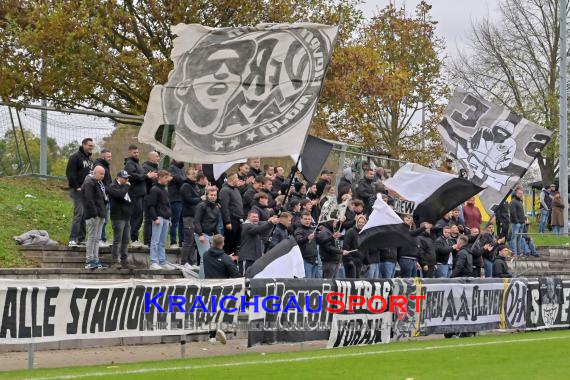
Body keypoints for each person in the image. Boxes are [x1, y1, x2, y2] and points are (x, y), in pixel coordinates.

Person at [202, 234, 239, 345]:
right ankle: (219, 329)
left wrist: (226, 258)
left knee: (212, 310)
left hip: (209, 287)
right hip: (223, 288)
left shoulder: (205, 255)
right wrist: (230, 260)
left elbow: (216, 259)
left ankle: (212, 335)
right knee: (222, 310)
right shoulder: (225, 258)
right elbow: (235, 274)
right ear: (222, 243)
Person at [125, 145, 158, 247]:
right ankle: (132, 239)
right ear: (130, 152)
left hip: (140, 195)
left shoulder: (137, 164)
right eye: (134, 152)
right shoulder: (129, 164)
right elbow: (131, 176)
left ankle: (135, 238)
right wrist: (146, 176)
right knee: (135, 217)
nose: (136, 154)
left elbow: (142, 176)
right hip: (134, 194)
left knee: (139, 217)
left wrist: (150, 177)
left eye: (137, 152)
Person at [66, 138, 95, 247]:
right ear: (83, 145)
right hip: (78, 190)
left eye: (92, 146)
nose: (91, 147)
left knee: (84, 215)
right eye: (89, 145)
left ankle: (81, 239)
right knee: (79, 213)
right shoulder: (75, 157)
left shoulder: (90, 160)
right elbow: (70, 173)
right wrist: (77, 187)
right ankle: (72, 239)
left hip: (87, 191)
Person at [81, 165, 109, 269]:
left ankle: (96, 260)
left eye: (103, 174)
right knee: (92, 237)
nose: (102, 176)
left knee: (97, 239)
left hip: (101, 215)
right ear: (94, 172)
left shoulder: (98, 183)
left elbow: (101, 199)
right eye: (100, 174)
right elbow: (89, 200)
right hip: (93, 216)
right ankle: (89, 260)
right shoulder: (89, 183)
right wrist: (95, 213)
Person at [146, 170, 174, 270]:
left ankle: (162, 261)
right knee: (155, 241)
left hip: (166, 218)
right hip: (158, 218)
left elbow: (167, 205)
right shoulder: (154, 189)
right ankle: (153, 262)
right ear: (160, 177)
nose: (167, 180)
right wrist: (155, 217)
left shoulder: (165, 189)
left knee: (162, 242)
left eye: (168, 178)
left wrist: (169, 218)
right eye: (165, 178)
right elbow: (151, 205)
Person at [107, 170, 134, 269]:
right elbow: (119, 195)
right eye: (124, 178)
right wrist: (127, 186)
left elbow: (128, 200)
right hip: (118, 217)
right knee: (117, 239)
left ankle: (124, 260)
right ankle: (115, 261)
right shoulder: (112, 186)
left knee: (126, 239)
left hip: (126, 217)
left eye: (127, 178)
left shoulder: (124, 187)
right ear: (118, 177)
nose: (127, 180)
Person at [180, 166, 202, 267]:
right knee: (188, 240)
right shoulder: (185, 186)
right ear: (187, 175)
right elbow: (189, 200)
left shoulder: (195, 185)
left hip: (195, 216)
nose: (194, 175)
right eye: (192, 174)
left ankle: (191, 261)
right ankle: (184, 262)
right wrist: (200, 198)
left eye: (195, 173)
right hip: (188, 216)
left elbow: (198, 197)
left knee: (193, 241)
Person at [219, 173, 245, 255]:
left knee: (235, 243)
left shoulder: (236, 189)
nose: (238, 180)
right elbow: (224, 207)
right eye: (237, 178)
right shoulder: (225, 190)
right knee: (229, 243)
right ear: (232, 179)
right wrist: (227, 222)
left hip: (238, 220)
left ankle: (232, 262)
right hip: (231, 221)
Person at [94, 149, 112, 247]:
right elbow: (100, 182)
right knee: (101, 219)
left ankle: (102, 238)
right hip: (101, 197)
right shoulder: (99, 166)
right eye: (108, 156)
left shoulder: (106, 166)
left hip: (107, 196)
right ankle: (99, 239)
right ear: (103, 156)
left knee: (105, 219)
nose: (110, 158)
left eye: (111, 156)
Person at [142, 151, 160, 247]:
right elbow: (145, 180)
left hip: (157, 197)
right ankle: (147, 241)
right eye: (157, 156)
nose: (158, 158)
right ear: (151, 158)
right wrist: (153, 178)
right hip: (148, 196)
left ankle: (154, 240)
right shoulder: (145, 167)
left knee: (155, 219)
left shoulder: (156, 168)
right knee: (148, 219)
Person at [294, 212, 319, 278]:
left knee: (313, 283)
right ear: (301, 219)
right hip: (305, 260)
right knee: (307, 283)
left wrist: (332, 237)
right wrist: (307, 238)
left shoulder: (312, 229)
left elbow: (319, 241)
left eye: (309, 219)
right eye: (305, 219)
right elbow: (298, 241)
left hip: (315, 259)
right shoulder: (298, 230)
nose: (307, 221)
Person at [167, 159, 186, 249]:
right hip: (175, 199)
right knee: (175, 221)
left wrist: (182, 179)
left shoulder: (181, 169)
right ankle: (173, 242)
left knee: (182, 222)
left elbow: (183, 180)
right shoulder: (171, 168)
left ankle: (182, 241)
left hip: (182, 199)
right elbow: (179, 179)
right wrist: (183, 179)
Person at [509, 188, 526, 255]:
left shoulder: (520, 201)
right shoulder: (513, 201)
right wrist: (517, 222)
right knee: (514, 238)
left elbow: (522, 212)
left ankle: (518, 253)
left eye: (521, 193)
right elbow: (512, 213)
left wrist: (524, 219)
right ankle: (514, 253)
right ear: (516, 193)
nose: (521, 194)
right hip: (516, 223)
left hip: (522, 223)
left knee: (519, 239)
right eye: (519, 193)